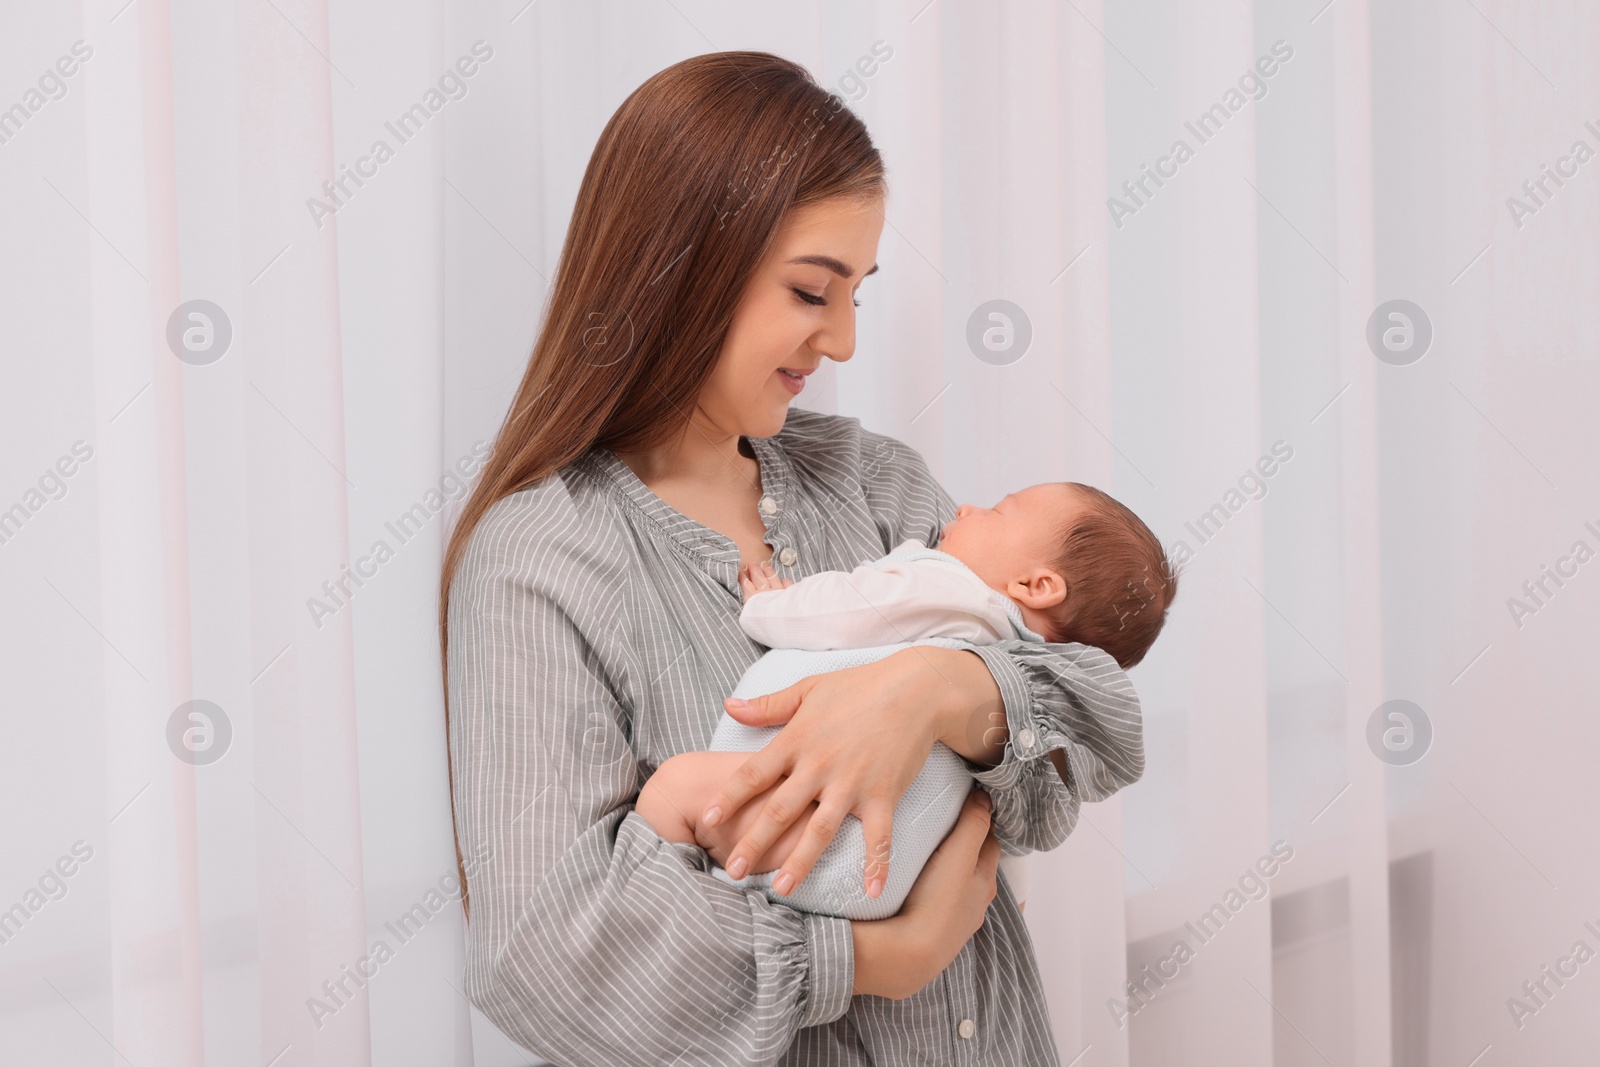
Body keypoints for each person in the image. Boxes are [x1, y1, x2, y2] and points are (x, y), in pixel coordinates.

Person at [440, 51, 1145, 1066]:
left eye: (858, 291)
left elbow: (1088, 741)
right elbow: (545, 958)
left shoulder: (876, 487)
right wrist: (865, 959)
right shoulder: (542, 558)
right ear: (680, 265)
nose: (846, 340)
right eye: (814, 290)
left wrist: (936, 691)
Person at [635, 482, 1175, 922]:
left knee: (674, 790)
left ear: (1036, 585)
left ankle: (662, 912)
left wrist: (771, 605)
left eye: (996, 508)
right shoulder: (1010, 679)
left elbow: (850, 609)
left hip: (838, 842)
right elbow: (1006, 830)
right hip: (892, 872)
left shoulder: (951, 590)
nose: (965, 506)